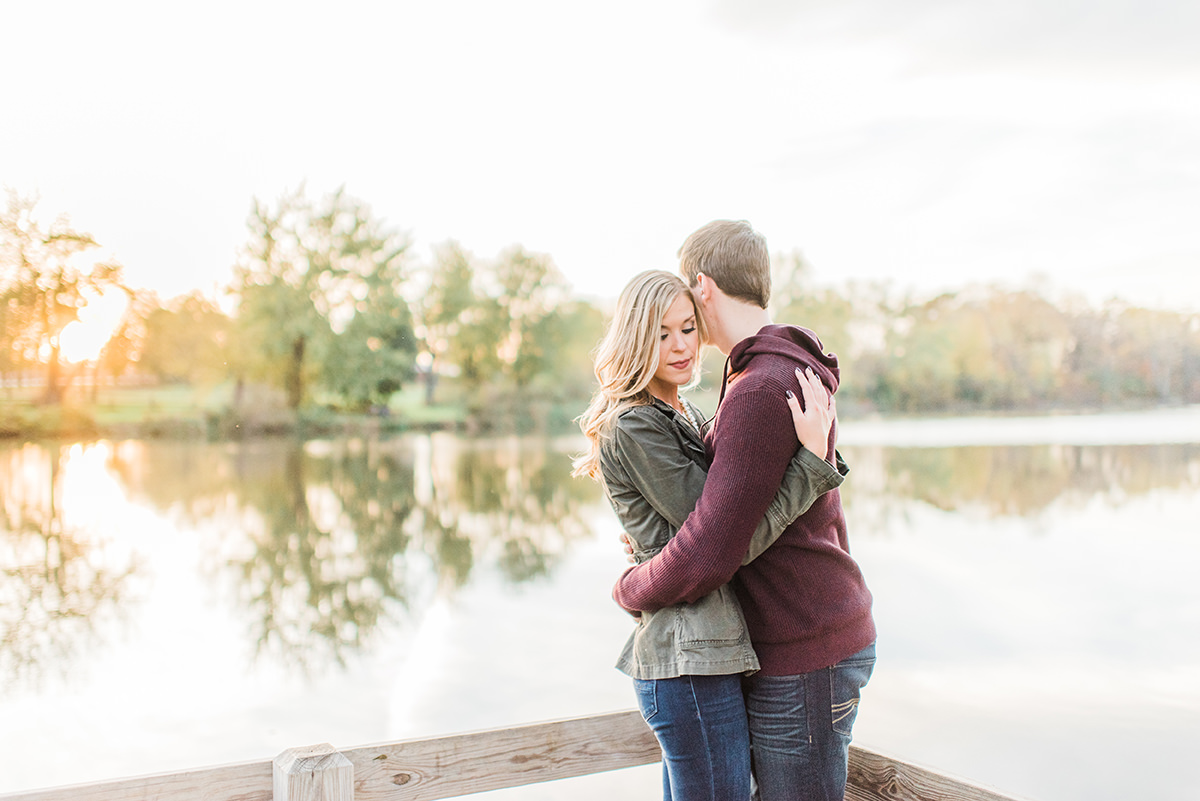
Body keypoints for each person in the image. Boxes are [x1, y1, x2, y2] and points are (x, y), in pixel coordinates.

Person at [612, 222, 877, 801]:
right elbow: (712, 519)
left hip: (805, 641)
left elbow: (709, 550)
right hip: (807, 631)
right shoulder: (773, 371)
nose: (681, 336)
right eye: (662, 333)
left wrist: (632, 587)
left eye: (685, 315)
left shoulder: (760, 386)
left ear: (701, 285)